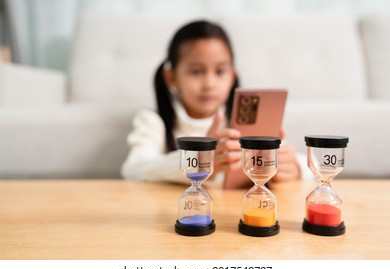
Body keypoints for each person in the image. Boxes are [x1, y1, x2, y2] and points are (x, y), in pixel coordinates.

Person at [121, 20, 302, 186]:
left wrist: (295, 167)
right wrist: (198, 159)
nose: (209, 84)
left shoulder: (243, 125)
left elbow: (304, 164)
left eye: (220, 71)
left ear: (232, 76)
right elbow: (133, 169)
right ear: (171, 77)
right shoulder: (152, 121)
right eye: (197, 71)